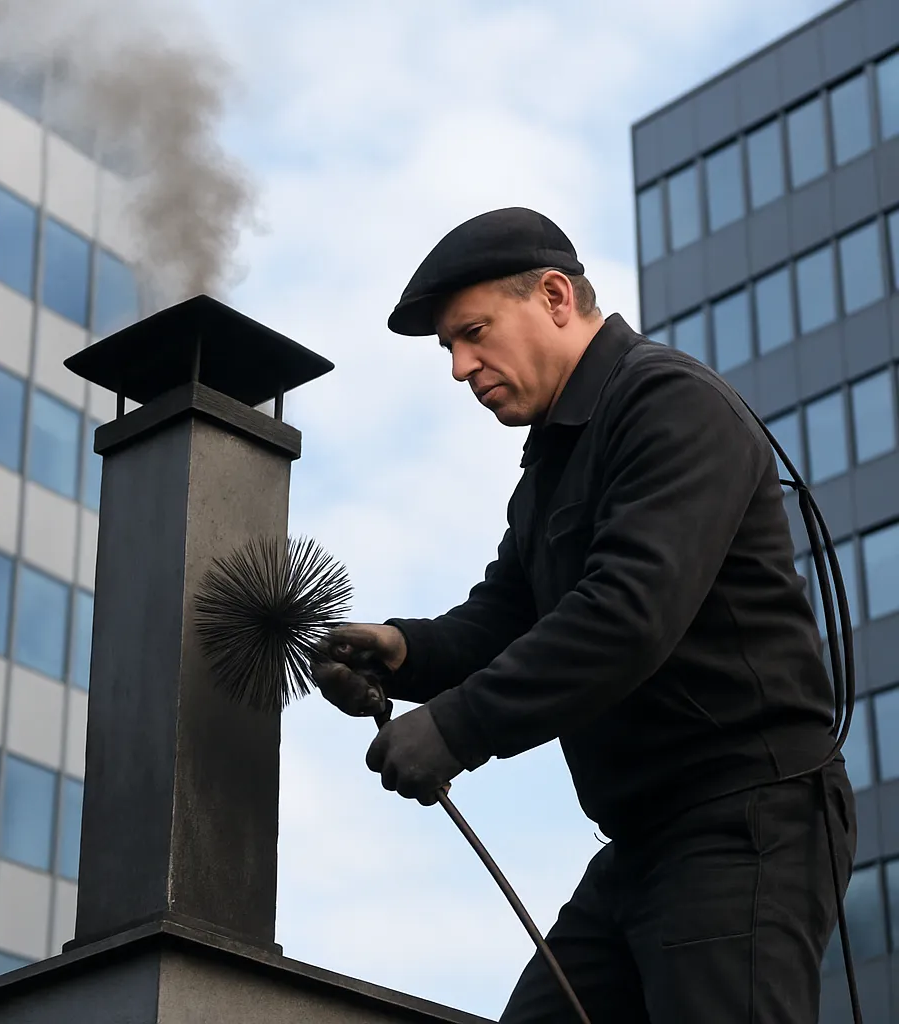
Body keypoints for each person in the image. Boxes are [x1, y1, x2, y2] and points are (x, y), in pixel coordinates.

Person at [310, 207, 856, 1023]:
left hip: (745, 820)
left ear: (557, 296)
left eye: (473, 333)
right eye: (449, 349)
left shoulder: (670, 404)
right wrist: (401, 651)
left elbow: (626, 615)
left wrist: (458, 728)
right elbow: (505, 615)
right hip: (641, 844)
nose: (460, 367)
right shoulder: (549, 471)